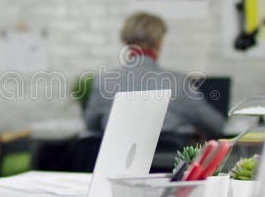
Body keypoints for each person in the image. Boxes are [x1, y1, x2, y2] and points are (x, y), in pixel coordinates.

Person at [84, 12, 225, 142]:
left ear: (125, 40)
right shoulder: (178, 82)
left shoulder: (104, 81)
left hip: (119, 164)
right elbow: (215, 124)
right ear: (158, 42)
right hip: (171, 164)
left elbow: (92, 125)